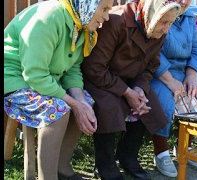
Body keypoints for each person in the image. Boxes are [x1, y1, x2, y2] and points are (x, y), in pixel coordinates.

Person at [4, 0, 114, 179]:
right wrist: (73, 104)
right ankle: (47, 176)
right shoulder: (48, 19)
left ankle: (62, 167)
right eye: (104, 9)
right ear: (89, 4)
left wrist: (80, 101)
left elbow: (72, 68)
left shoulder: (80, 23)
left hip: (45, 80)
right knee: (59, 110)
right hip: (14, 80)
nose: (107, 17)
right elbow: (35, 75)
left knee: (86, 103)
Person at [80, 0, 181, 179]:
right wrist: (127, 92)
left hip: (132, 81)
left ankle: (128, 156)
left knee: (146, 102)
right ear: (151, 14)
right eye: (164, 22)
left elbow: (152, 66)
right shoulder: (116, 21)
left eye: (170, 23)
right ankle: (105, 163)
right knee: (109, 106)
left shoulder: (157, 29)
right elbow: (94, 68)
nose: (166, 29)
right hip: (101, 80)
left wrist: (139, 88)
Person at [149, 0, 197, 177]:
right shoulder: (160, 13)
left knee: (195, 97)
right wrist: (168, 80)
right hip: (159, 72)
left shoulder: (189, 18)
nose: (184, 2)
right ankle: (161, 152)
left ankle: (185, 147)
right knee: (165, 101)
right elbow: (152, 50)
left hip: (184, 73)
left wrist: (192, 76)